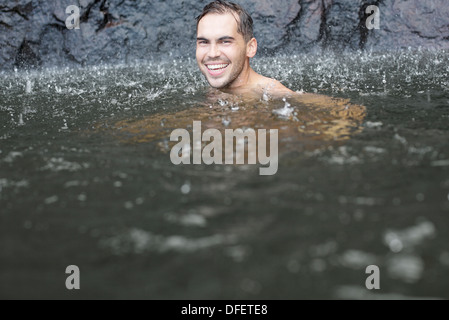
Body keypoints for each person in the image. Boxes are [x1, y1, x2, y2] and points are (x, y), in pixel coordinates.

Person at [196, 0, 294, 98]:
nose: (212, 53)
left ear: (250, 48)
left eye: (225, 42)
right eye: (204, 42)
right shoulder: (214, 91)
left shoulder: (276, 95)